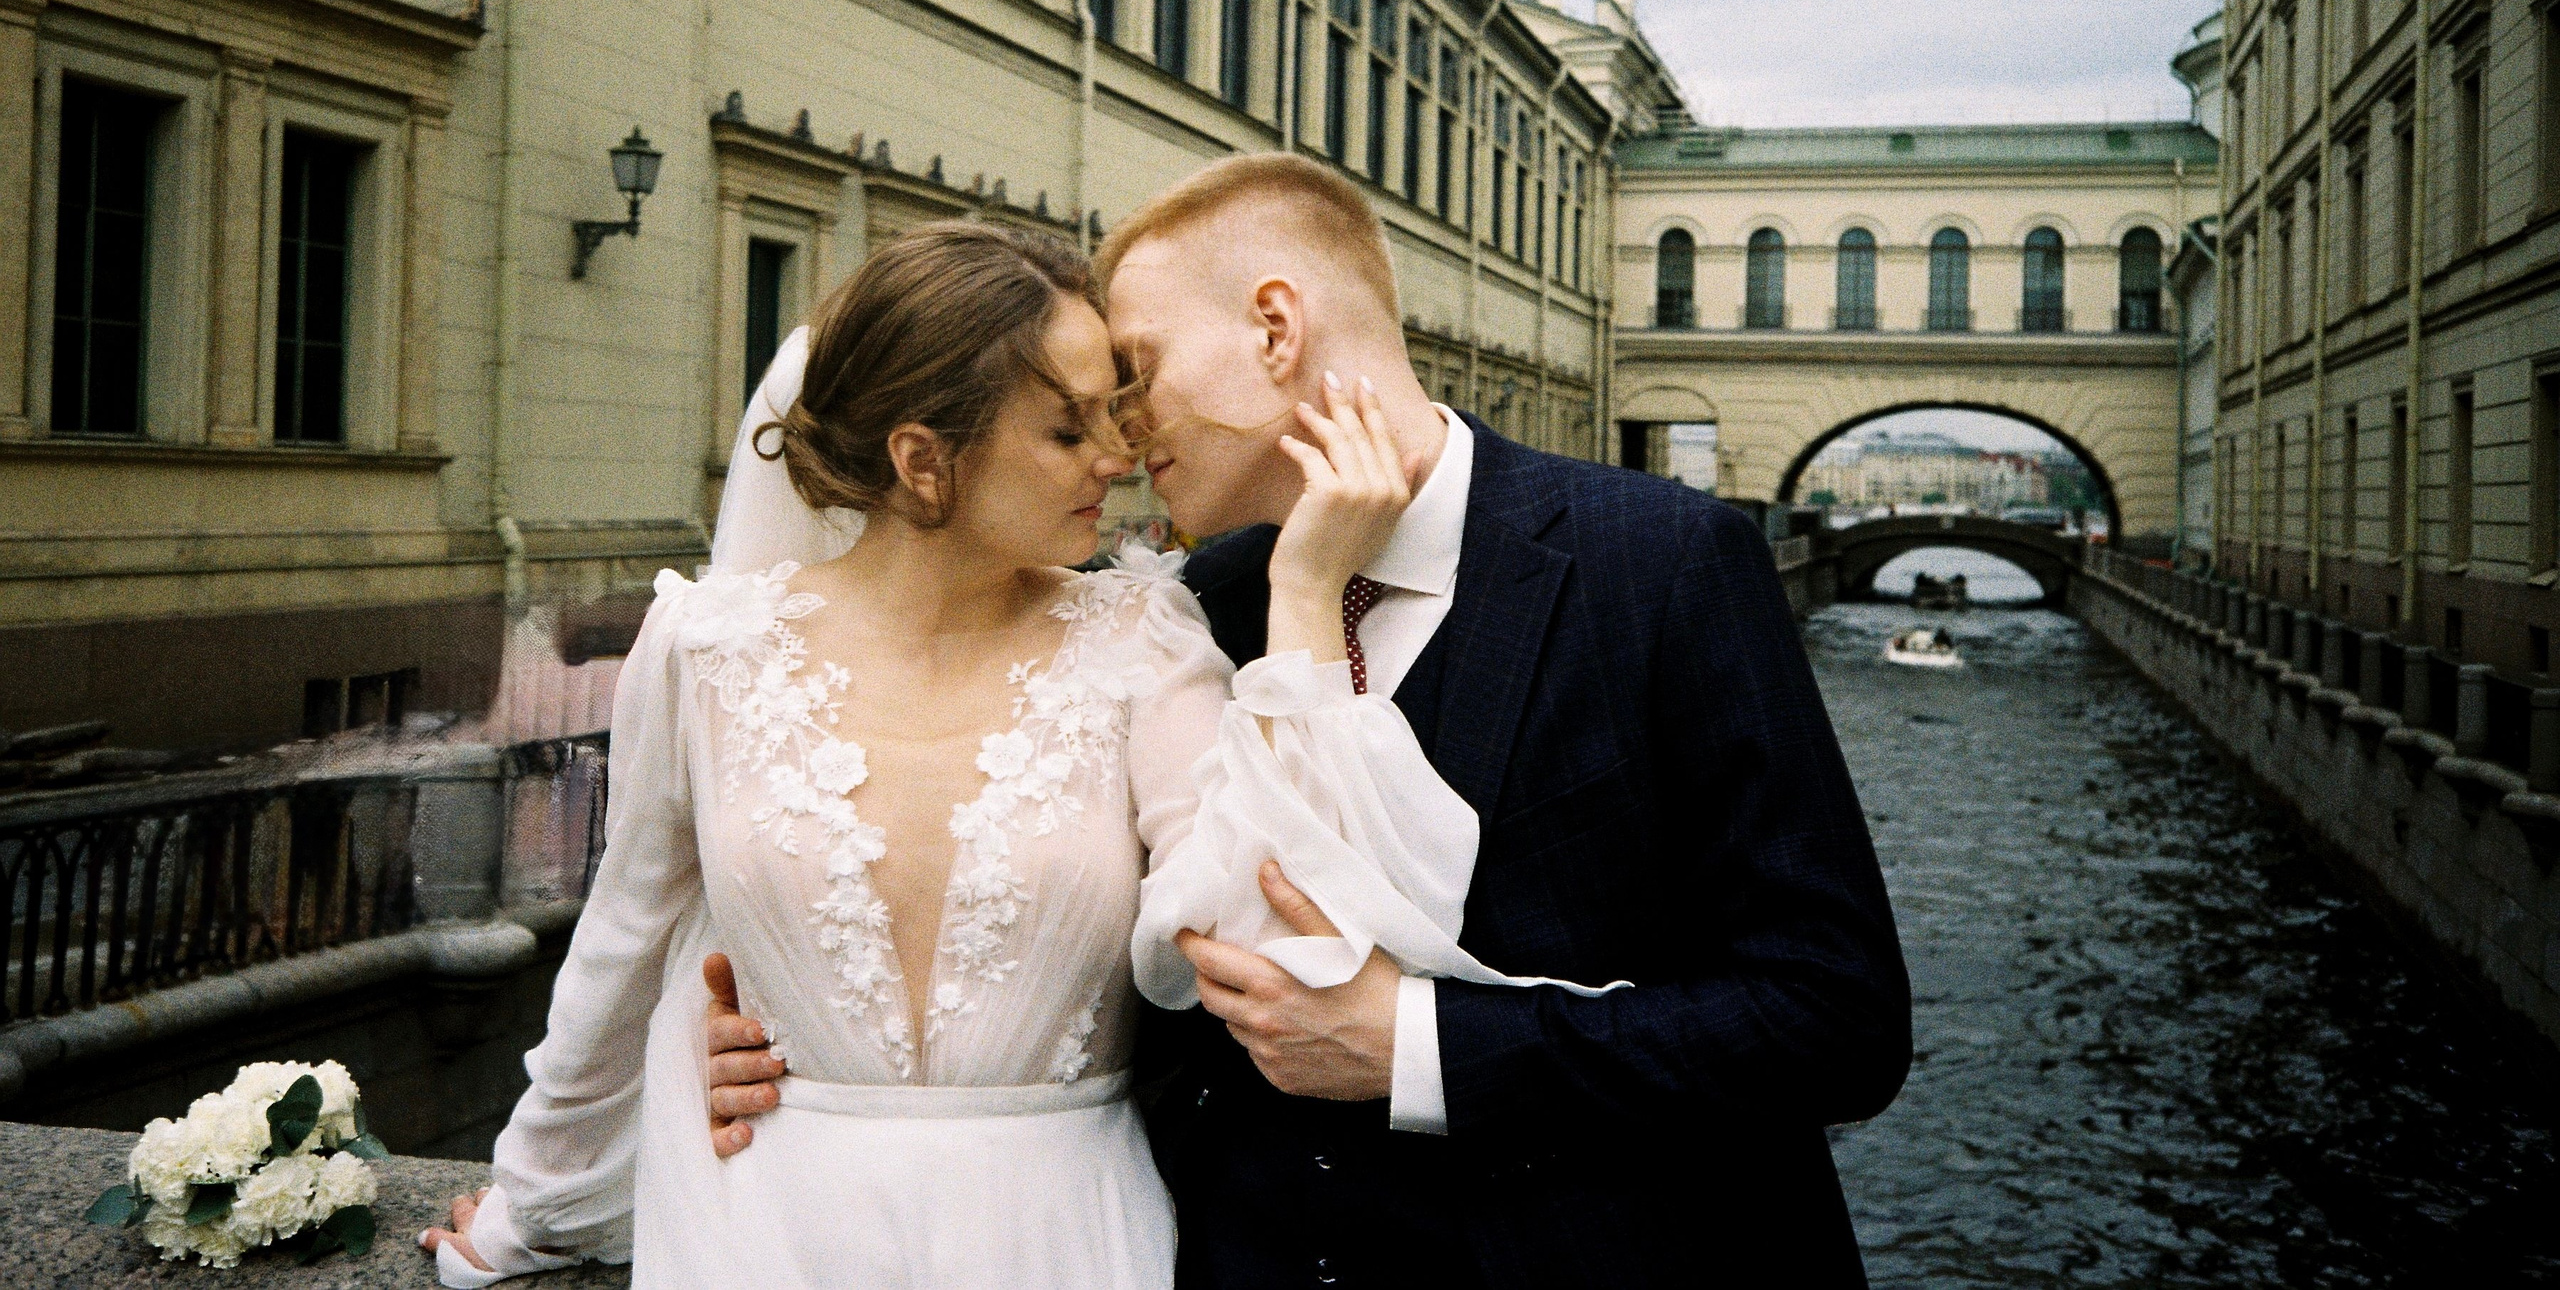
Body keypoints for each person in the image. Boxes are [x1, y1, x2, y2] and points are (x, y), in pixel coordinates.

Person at [706, 154, 1912, 1287]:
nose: (1121, 436)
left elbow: (1836, 1021)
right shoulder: (1188, 613)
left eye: (1135, 372)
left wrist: (1422, 1049)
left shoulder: (1659, 564)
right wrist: (803, 1055)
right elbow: (1093, 953)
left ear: (1274, 330)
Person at [421, 220, 1419, 1289]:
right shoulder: (706, 648)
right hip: (762, 1232)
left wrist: (1307, 596)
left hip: (1064, 1236)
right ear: (922, 460)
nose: (1117, 457)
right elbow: (621, 944)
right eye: (1066, 430)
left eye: (1111, 414)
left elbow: (1265, 921)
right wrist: (533, 1206)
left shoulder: (1142, 640)